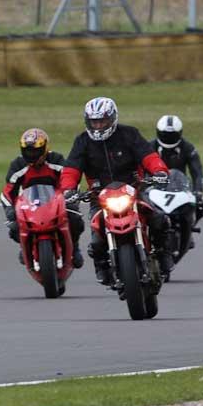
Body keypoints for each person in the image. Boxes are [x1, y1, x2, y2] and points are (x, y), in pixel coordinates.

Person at [59, 97, 172, 285]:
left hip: (134, 190)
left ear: (112, 118)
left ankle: (164, 254)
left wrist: (159, 171)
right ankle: (102, 267)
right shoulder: (82, 142)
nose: (98, 126)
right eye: (94, 122)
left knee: (159, 219)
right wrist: (68, 190)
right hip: (99, 197)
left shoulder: (129, 134)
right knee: (96, 239)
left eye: (102, 121)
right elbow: (71, 169)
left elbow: (149, 156)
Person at [1, 128, 85, 268]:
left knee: (75, 220)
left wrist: (70, 199)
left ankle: (74, 248)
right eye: (27, 151)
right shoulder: (18, 165)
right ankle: (25, 246)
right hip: (30, 206)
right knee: (14, 228)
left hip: (55, 204)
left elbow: (70, 180)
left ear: (45, 148)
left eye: (35, 151)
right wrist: (10, 210)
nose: (31, 155)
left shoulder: (56, 160)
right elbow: (7, 193)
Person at [152, 114, 203, 224]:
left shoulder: (188, 148)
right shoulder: (150, 146)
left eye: (172, 135)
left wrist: (198, 193)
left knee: (199, 208)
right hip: (155, 188)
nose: (168, 138)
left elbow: (197, 173)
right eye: (165, 134)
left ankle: (187, 233)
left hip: (180, 188)